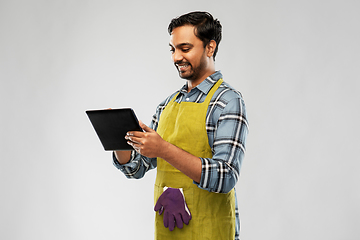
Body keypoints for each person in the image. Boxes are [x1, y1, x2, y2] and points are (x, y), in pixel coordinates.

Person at [113, 11, 248, 240]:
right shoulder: (167, 105)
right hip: (170, 231)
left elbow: (226, 176)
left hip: (211, 230)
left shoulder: (227, 101)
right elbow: (137, 167)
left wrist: (163, 149)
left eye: (185, 49)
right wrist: (118, 138)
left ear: (210, 48)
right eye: (172, 49)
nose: (176, 57)